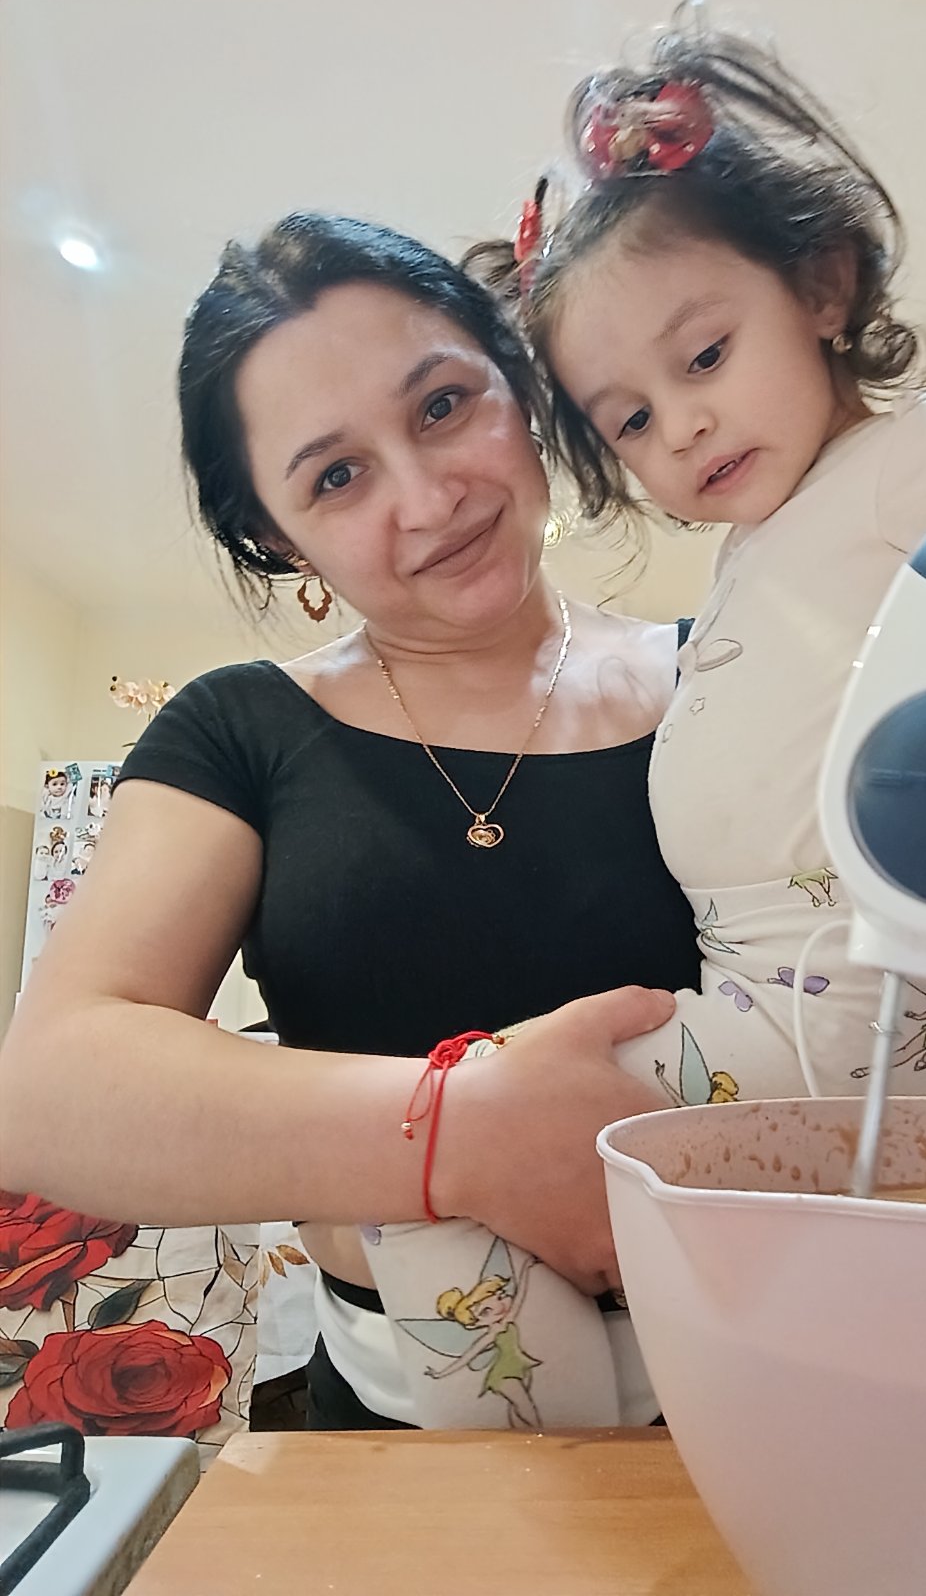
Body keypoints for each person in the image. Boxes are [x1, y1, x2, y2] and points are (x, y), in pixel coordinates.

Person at [0, 212, 698, 1430]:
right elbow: (52, 1092)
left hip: (768, 1378)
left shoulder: (727, 673)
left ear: (517, 383)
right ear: (279, 537)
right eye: (336, 475)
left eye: (443, 406)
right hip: (402, 1440)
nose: (429, 498)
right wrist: (459, 1133)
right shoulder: (237, 730)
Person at [462, 19, 926, 1106]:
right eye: (631, 420)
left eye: (705, 355)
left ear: (821, 286)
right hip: (763, 1011)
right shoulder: (746, 559)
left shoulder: (925, 447)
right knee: (483, 1116)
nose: (682, 427)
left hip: (854, 1022)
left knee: (483, 1119)